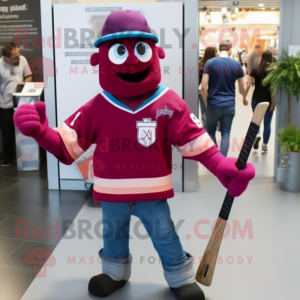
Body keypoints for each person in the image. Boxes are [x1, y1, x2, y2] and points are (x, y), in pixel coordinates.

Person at [14, 10, 255, 300]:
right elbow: (68, 147)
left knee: (164, 234)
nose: (130, 61)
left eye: (140, 49)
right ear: (101, 58)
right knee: (113, 234)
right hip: (110, 193)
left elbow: (194, 141)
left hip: (152, 193)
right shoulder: (97, 106)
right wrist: (41, 132)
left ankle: (179, 276)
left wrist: (220, 166)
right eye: (119, 51)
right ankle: (115, 273)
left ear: (155, 53)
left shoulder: (168, 102)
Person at [201, 40, 247, 157]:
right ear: (230, 50)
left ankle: (215, 156)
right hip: (229, 105)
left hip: (213, 104)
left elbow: (203, 86)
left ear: (219, 49)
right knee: (226, 133)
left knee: (210, 131)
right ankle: (222, 161)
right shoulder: (236, 65)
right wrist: (244, 97)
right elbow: (243, 88)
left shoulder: (210, 63)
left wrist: (207, 102)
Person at [0, 42, 32, 166]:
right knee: (7, 133)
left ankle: (26, 156)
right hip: (5, 105)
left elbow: (29, 76)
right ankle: (7, 157)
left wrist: (22, 87)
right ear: (6, 58)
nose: (19, 58)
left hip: (22, 102)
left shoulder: (22, 59)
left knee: (24, 131)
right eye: (15, 57)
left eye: (18, 54)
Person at [244, 50, 276, 153]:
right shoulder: (274, 71)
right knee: (267, 123)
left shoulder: (255, 70)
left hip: (256, 100)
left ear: (262, 58)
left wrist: (244, 97)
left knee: (256, 120)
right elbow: (275, 88)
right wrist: (273, 103)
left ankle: (257, 135)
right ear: (271, 58)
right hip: (269, 100)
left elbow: (248, 85)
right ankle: (264, 146)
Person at [199, 47, 217, 129]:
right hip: (213, 91)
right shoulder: (215, 65)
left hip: (201, 90)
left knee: (204, 112)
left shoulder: (200, 64)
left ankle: (206, 129)